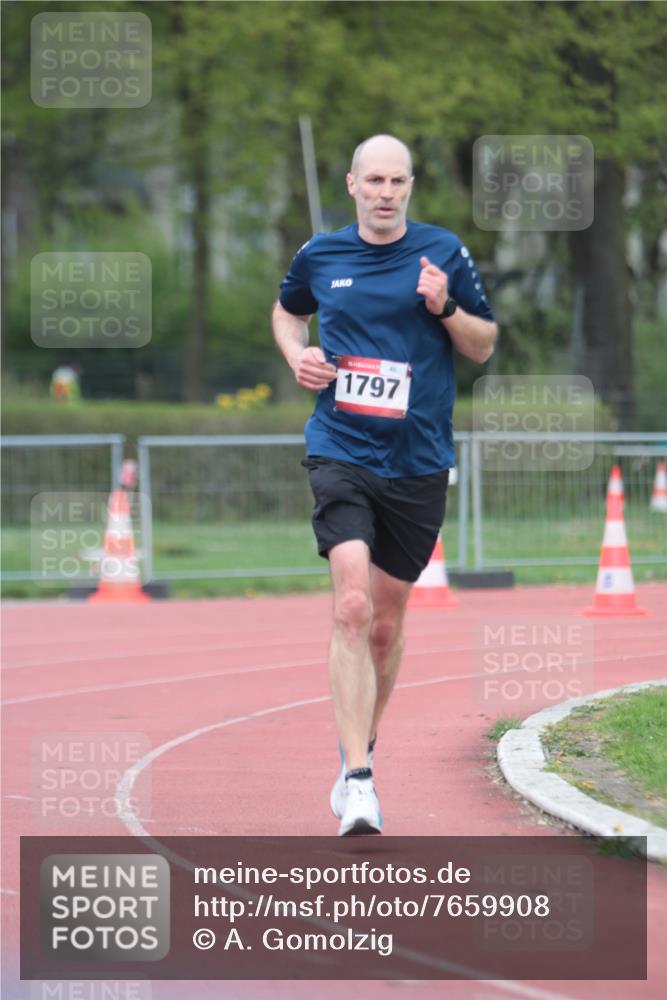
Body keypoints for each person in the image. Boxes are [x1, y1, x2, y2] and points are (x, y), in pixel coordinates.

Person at [272, 134, 497, 835]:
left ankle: (354, 754)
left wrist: (443, 308)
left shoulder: (442, 252)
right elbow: (287, 311)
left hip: (418, 458)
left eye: (397, 181)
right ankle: (362, 784)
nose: (385, 193)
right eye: (373, 180)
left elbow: (483, 344)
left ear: (409, 186)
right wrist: (297, 356)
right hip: (339, 446)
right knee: (350, 606)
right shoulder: (320, 254)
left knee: (387, 620)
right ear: (351, 184)